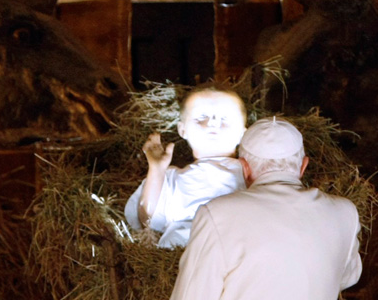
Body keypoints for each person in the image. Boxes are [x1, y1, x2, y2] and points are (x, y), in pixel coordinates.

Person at [171, 117, 362, 300]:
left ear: (244, 168)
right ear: (303, 167)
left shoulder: (216, 215)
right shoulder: (345, 213)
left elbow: (191, 295)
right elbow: (347, 277)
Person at [125, 86, 247, 248]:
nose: (213, 123)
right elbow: (148, 219)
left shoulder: (251, 171)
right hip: (183, 248)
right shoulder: (171, 176)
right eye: (201, 117)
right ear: (183, 130)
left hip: (236, 243)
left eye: (225, 118)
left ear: (242, 134)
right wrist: (156, 169)